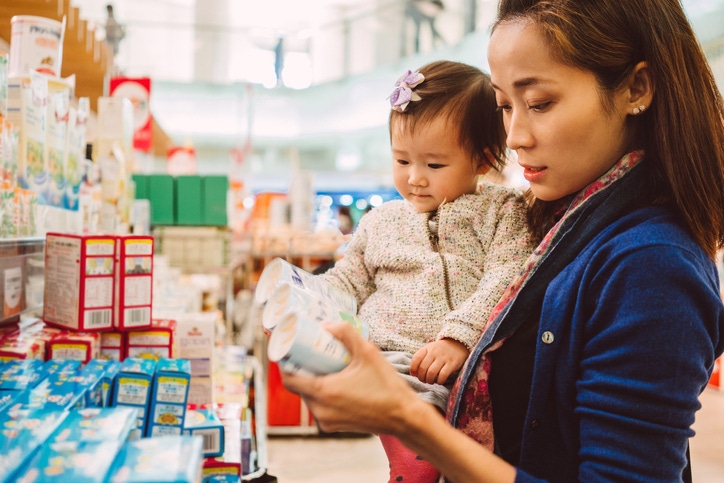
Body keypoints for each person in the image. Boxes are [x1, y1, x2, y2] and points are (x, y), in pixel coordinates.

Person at [282, 0, 724, 481]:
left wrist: (407, 420)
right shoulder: (561, 223)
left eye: (539, 104)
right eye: (504, 107)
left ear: (635, 88)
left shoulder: (652, 265)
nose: (513, 136)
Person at [313, 60, 533, 482]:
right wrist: (309, 301)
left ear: (483, 159)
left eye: (434, 165)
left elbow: (506, 277)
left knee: (431, 415)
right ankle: (410, 462)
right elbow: (348, 278)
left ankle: (415, 461)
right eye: (402, 160)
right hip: (379, 355)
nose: (415, 178)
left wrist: (457, 337)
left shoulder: (500, 211)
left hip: (448, 365)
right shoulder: (381, 221)